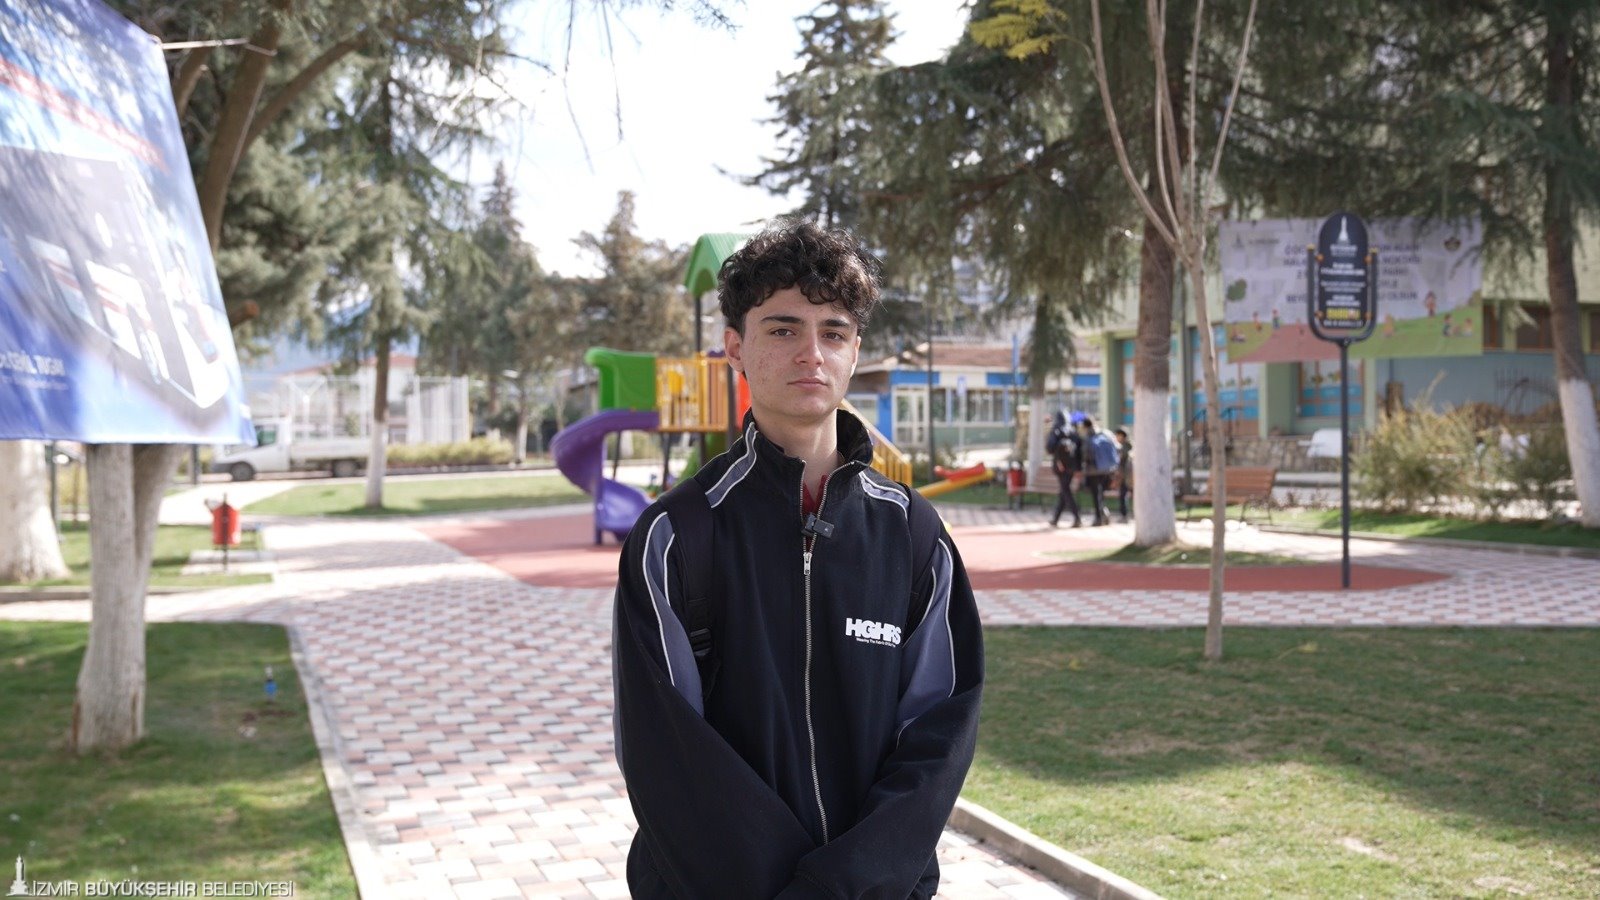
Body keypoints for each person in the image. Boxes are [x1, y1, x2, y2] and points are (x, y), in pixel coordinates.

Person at [612, 220, 984, 899]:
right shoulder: (676, 536)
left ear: (854, 351)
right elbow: (667, 753)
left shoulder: (913, 534)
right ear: (736, 347)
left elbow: (938, 738)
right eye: (783, 329)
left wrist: (843, 885)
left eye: (833, 333)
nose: (811, 353)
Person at [1045, 410, 1083, 527]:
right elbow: (1079, 452)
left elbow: (1049, 448)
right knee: (1064, 490)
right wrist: (1078, 468)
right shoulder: (1073, 431)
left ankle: (1077, 517)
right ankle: (1056, 518)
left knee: (1065, 491)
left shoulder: (1056, 431)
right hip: (1071, 467)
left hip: (1060, 466)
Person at [1077, 415, 1115, 526]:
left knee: (1096, 495)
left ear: (1085, 426)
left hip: (1093, 470)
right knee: (1101, 493)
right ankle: (1104, 513)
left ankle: (1099, 518)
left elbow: (1085, 454)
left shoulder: (1088, 437)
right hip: (1106, 469)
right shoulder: (1104, 433)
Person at [1113, 427, 1133, 523]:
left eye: (1117, 435)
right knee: (1124, 495)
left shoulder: (1125, 448)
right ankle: (1126, 515)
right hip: (1128, 476)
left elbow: (1122, 463)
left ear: (1122, 436)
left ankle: (1125, 515)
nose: (1116, 437)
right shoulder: (1127, 446)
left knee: (1123, 495)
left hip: (1127, 476)